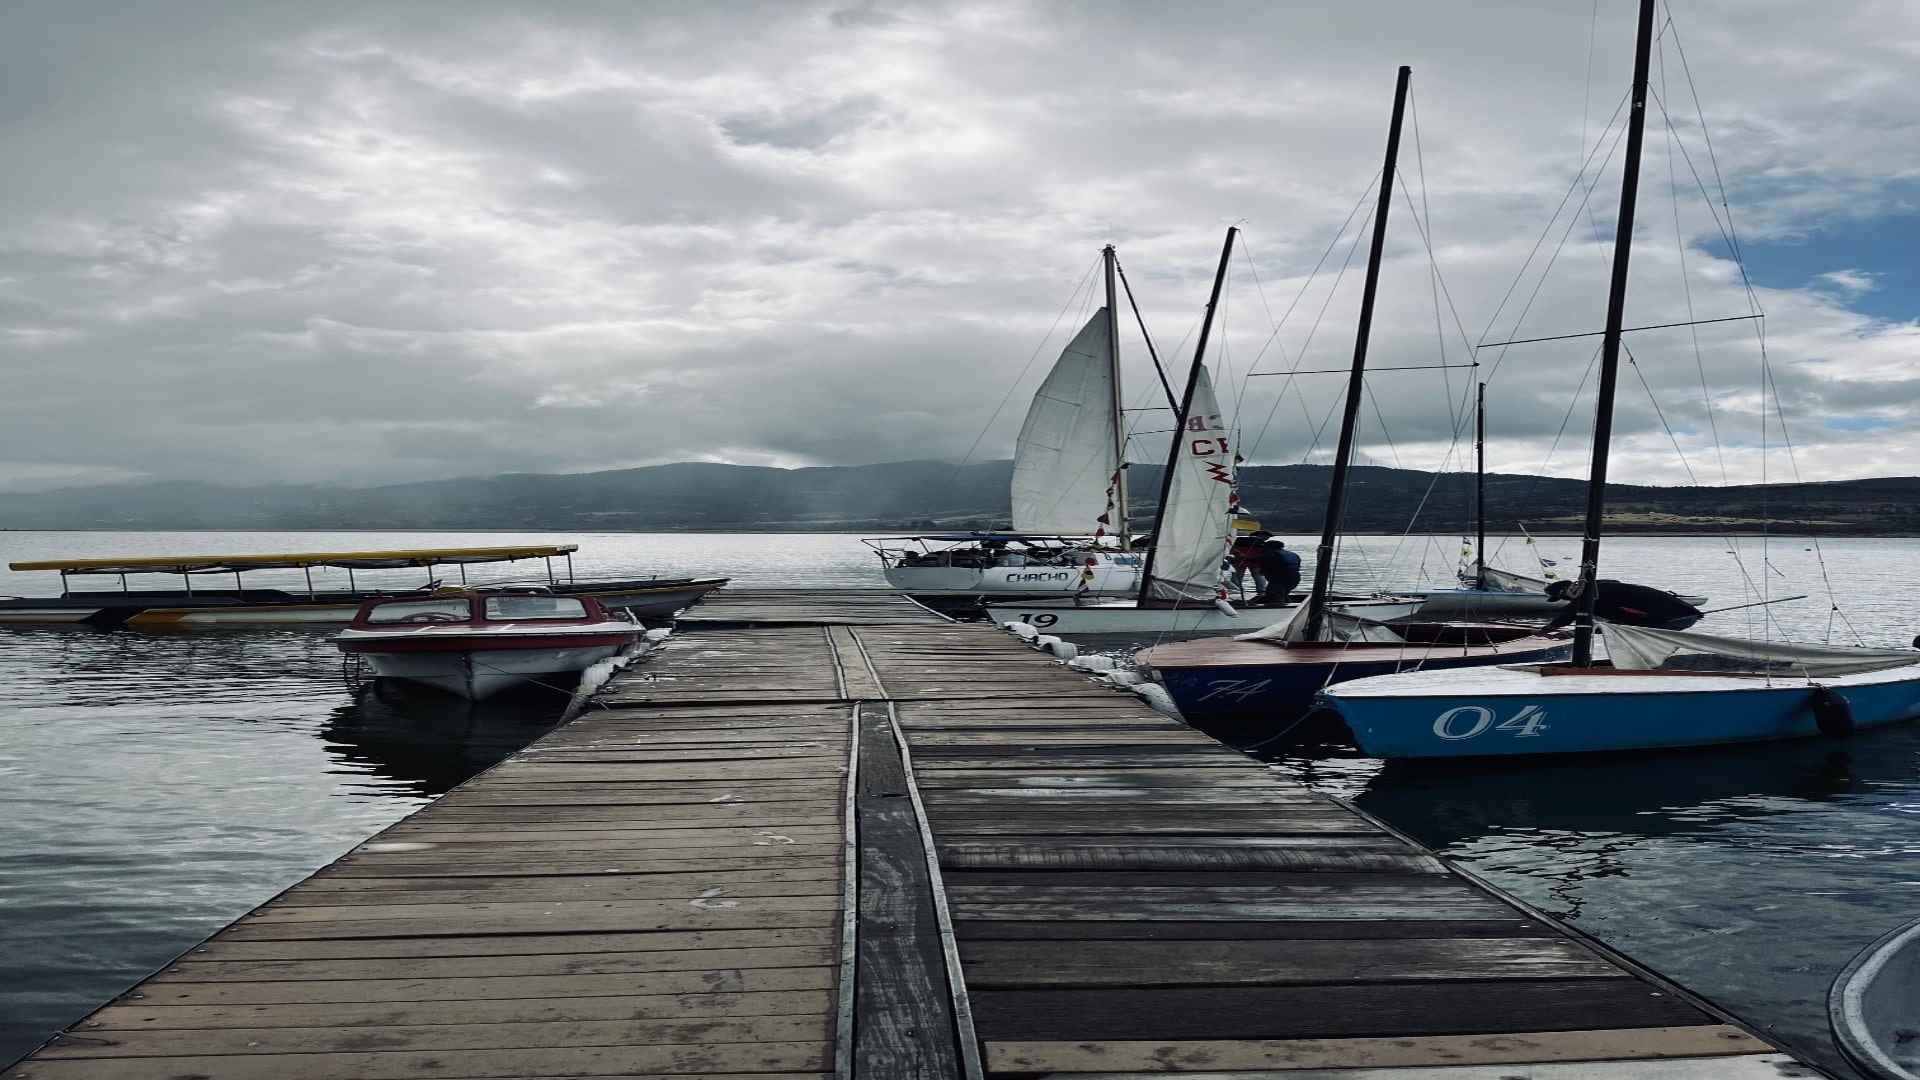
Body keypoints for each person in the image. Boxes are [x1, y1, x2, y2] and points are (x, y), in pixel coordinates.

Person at [1541, 578, 1702, 631]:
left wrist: (1545, 630)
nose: (1566, 600)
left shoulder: (1590, 592)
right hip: (1676, 615)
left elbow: (1567, 615)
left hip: (1675, 617)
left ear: (1566, 591)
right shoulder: (1596, 586)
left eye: (1563, 597)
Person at [1256, 538, 1302, 607]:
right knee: (1283, 594)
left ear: (1269, 547)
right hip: (1295, 580)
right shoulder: (1293, 554)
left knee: (1274, 596)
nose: (1263, 548)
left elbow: (1262, 571)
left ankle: (1279, 608)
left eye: (1264, 547)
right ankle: (1288, 605)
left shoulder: (1270, 554)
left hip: (1279, 581)